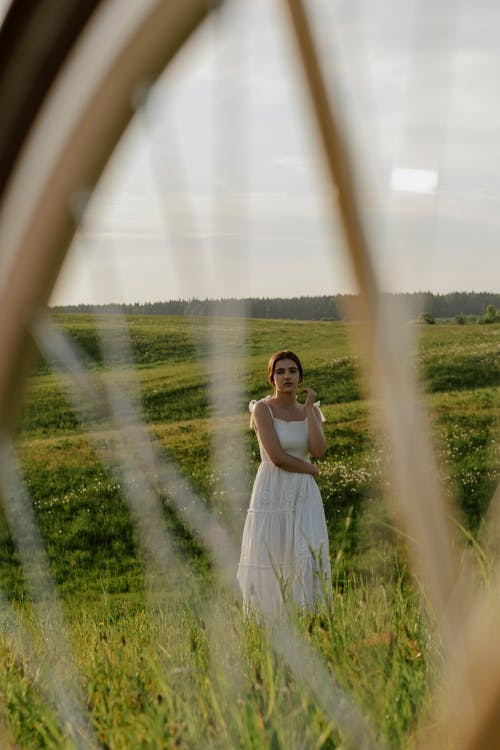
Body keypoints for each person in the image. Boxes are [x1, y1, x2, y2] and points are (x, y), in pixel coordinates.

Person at [237, 350, 331, 617]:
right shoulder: (262, 409)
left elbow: (319, 448)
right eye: (280, 371)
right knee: (273, 555)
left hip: (304, 493)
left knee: (307, 554)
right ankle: (270, 620)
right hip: (273, 489)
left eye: (292, 371)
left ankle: (310, 616)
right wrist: (310, 468)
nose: (287, 376)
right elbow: (276, 457)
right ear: (272, 378)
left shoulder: (309, 410)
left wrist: (311, 409)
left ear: (300, 376)